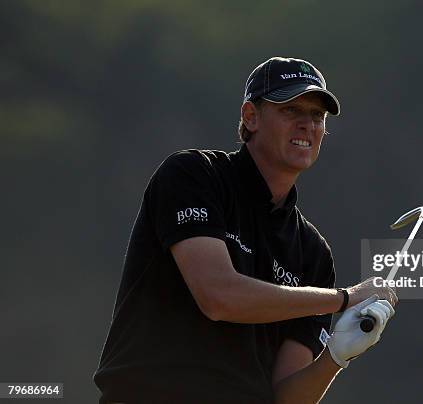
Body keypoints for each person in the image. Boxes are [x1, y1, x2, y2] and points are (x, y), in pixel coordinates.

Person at [93, 56, 398, 404]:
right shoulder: (194, 175)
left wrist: (335, 359)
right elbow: (218, 296)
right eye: (290, 110)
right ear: (250, 117)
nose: (307, 125)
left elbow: (287, 398)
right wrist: (343, 298)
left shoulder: (312, 251)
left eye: (317, 115)